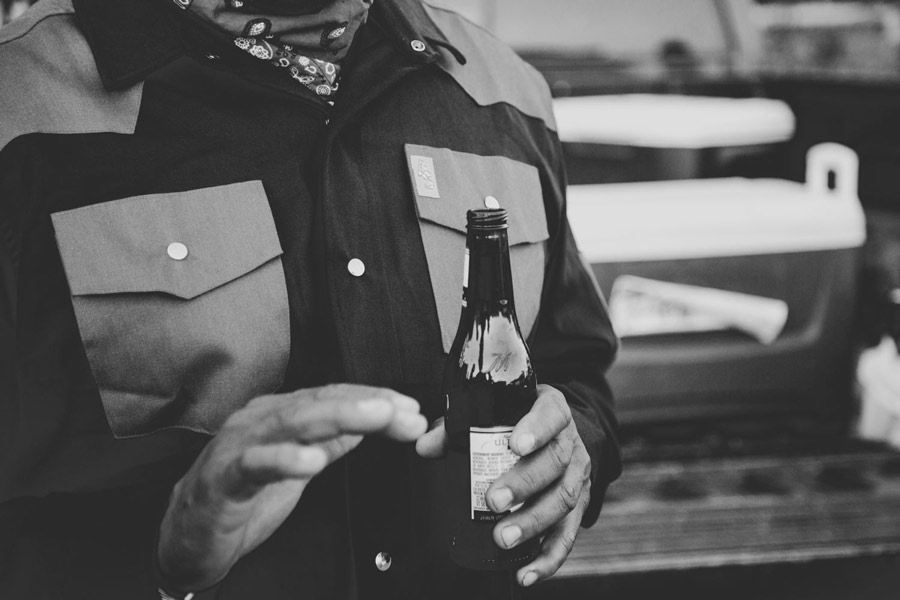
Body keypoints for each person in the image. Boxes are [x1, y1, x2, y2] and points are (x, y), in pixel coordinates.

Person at [0, 0, 621, 598]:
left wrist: (573, 447)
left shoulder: (506, 92)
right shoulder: (18, 104)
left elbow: (574, 368)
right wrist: (167, 559)